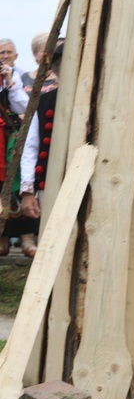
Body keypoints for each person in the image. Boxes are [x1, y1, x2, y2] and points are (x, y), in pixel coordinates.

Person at [19, 43, 65, 255]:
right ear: (55, 69)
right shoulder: (41, 102)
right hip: (49, 183)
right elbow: (30, 147)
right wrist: (28, 192)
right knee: (52, 242)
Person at [0, 41, 33, 257]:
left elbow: (24, 107)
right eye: (1, 52)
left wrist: (10, 80)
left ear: (16, 55)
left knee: (18, 182)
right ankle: (2, 239)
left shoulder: (22, 76)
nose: (4, 55)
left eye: (8, 52)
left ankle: (27, 238)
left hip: (14, 137)